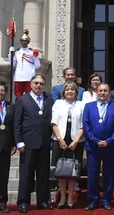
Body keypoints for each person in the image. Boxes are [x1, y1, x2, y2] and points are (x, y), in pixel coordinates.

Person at [15, 75, 54, 213]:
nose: (38, 85)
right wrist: (19, 142)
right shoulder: (22, 100)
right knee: (26, 174)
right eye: (36, 83)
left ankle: (43, 201)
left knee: (43, 174)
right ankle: (23, 202)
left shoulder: (50, 99)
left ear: (44, 85)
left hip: (44, 143)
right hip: (28, 143)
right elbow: (17, 123)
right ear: (31, 84)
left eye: (41, 83)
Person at [83, 83, 114, 211]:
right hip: (93, 147)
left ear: (109, 93)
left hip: (110, 147)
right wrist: (95, 140)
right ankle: (93, 200)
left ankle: (106, 200)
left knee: (109, 175)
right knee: (93, 174)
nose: (103, 93)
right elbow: (86, 125)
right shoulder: (88, 107)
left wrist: (109, 141)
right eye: (100, 91)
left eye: (105, 91)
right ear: (96, 93)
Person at [51, 81, 85, 209]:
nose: (69, 91)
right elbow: (54, 122)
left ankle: (70, 196)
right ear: (63, 92)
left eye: (72, 89)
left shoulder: (81, 105)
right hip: (60, 140)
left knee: (72, 171)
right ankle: (63, 197)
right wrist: (60, 139)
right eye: (67, 90)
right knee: (61, 170)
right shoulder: (58, 103)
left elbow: (83, 124)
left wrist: (76, 140)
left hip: (76, 141)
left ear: (76, 92)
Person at [0, 81, 15, 213]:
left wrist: (13, 143)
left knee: (3, 178)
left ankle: (1, 203)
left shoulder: (10, 106)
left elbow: (13, 126)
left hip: (5, 148)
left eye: (2, 91)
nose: (0, 93)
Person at [8, 29, 41, 98]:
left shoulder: (32, 52)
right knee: (18, 96)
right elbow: (12, 64)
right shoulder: (17, 52)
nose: (24, 42)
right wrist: (10, 54)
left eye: (25, 40)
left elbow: (37, 64)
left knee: (29, 96)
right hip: (18, 77)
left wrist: (30, 70)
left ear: (28, 42)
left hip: (29, 77)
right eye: (23, 40)